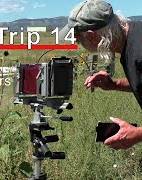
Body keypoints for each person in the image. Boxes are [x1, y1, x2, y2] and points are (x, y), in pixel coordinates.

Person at [59, 0, 142, 150]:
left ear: (91, 36)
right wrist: (114, 84)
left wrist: (137, 133)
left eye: (78, 39)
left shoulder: (139, 52)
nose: (78, 44)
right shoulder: (133, 37)